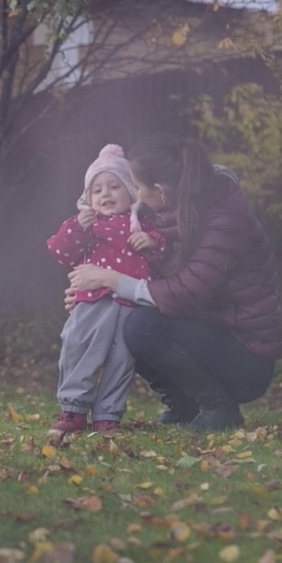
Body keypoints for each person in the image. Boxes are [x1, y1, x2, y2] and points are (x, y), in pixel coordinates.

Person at [63, 135, 282, 431]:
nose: (137, 196)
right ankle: (183, 406)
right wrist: (93, 293)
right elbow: (153, 277)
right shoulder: (172, 209)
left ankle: (219, 407)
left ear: (160, 190)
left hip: (245, 356)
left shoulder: (224, 220)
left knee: (140, 325)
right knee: (129, 316)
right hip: (208, 328)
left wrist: (110, 279)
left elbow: (185, 292)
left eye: (139, 188)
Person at [46, 144, 167, 436]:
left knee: (121, 359)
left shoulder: (143, 225)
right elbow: (59, 252)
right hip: (92, 300)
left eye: (114, 187)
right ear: (87, 198)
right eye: (97, 190)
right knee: (79, 348)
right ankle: (73, 410)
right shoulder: (86, 226)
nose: (105, 194)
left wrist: (152, 244)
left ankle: (107, 415)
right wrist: (76, 227)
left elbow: (163, 255)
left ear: (130, 190)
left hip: (129, 304)